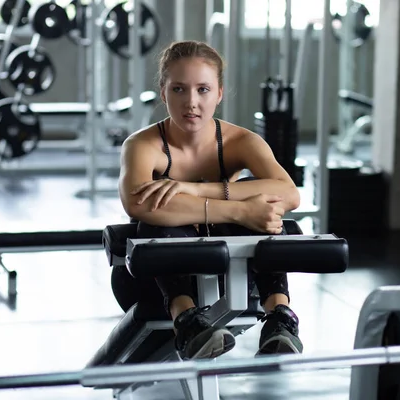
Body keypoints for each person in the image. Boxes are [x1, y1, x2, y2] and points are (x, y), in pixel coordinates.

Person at [111, 40, 303, 360]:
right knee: (157, 221)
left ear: (219, 93)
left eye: (203, 89)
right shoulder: (142, 145)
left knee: (266, 213)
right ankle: (186, 321)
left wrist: (197, 190)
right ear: (163, 93)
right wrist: (241, 209)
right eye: (179, 89)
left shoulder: (241, 141)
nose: (191, 102)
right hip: (149, 280)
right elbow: (139, 204)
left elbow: (289, 194)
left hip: (229, 273)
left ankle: (280, 316)